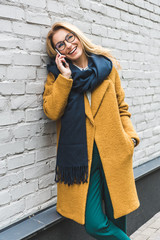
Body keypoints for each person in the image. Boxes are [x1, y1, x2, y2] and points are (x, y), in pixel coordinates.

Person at [43, 21, 140, 239]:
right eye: (60, 45)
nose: (68, 45)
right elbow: (52, 111)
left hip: (116, 151)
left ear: (77, 36)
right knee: (95, 224)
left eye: (69, 38)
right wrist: (65, 78)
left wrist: (131, 139)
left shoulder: (107, 68)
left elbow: (122, 108)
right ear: (57, 52)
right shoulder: (57, 76)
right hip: (82, 159)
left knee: (117, 217)